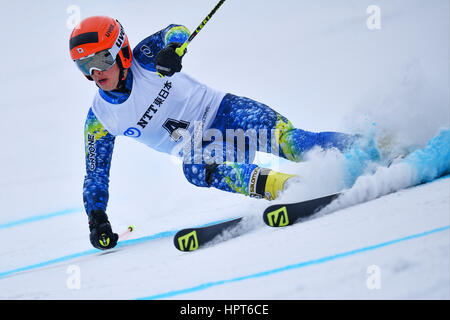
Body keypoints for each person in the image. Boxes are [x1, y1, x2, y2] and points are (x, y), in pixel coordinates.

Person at [70, 16, 378, 250]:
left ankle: (375, 146)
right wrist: (97, 219)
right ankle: (285, 188)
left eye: (102, 59)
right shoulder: (100, 119)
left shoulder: (146, 57)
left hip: (228, 113)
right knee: (193, 167)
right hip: (207, 149)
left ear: (121, 51)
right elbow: (95, 174)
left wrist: (172, 49)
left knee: (295, 144)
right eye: (85, 66)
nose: (96, 73)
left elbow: (174, 31)